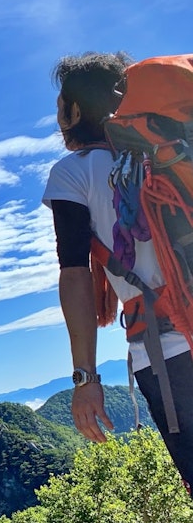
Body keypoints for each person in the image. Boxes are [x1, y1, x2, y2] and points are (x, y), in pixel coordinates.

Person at [42, 51, 193, 493]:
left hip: (168, 352)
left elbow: (74, 274)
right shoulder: (170, 151)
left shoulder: (74, 172)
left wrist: (86, 378)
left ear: (71, 110)